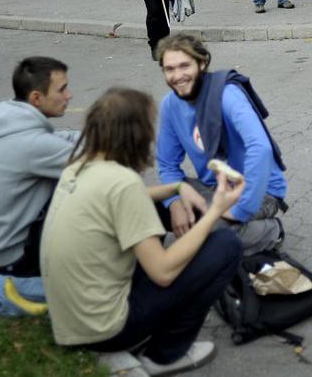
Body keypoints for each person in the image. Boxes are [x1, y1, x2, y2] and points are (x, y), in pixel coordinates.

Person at [40, 87, 243, 375]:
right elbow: (163, 272)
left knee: (161, 209)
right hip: (108, 331)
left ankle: (134, 337)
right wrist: (215, 211)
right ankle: (165, 355)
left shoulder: (79, 165)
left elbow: (126, 199)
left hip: (69, 323)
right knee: (225, 245)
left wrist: (177, 188)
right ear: (136, 134)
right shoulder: (123, 184)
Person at [155, 34, 288, 256]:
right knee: (152, 204)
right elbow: (167, 165)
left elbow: (260, 147)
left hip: (261, 191)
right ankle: (212, 229)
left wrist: (240, 209)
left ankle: (270, 231)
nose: (177, 76)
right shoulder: (170, 105)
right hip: (214, 189)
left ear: (202, 63)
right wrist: (175, 201)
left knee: (212, 237)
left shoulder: (227, 94)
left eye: (184, 66)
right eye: (170, 69)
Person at [0, 57, 77, 277]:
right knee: (92, 193)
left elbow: (60, 138)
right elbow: (96, 160)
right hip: (13, 264)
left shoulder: (9, 120)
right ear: (36, 98)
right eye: (62, 89)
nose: (68, 95)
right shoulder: (33, 145)